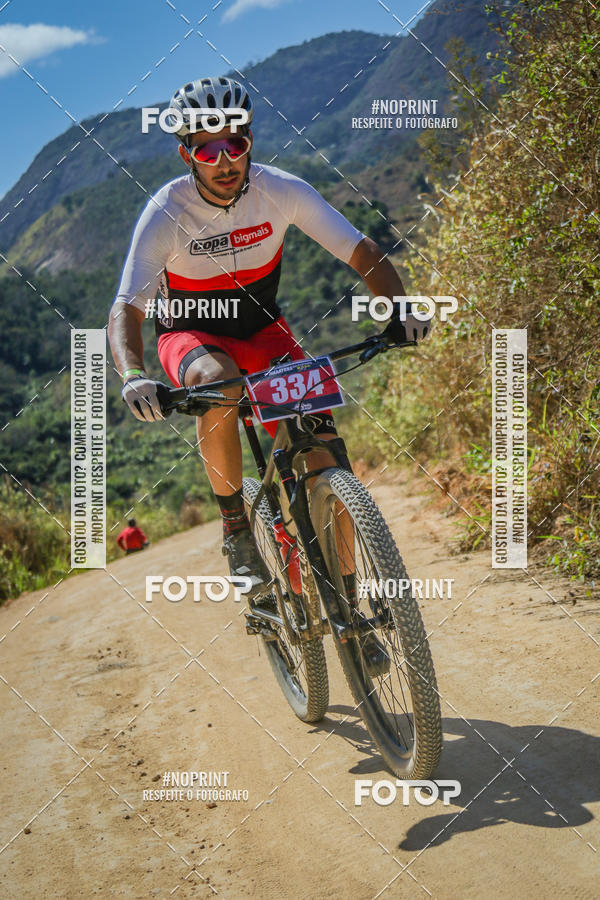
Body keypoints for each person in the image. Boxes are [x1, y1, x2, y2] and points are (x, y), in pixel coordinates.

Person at [108, 76, 429, 596]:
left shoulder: (282, 190)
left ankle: (347, 600)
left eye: (235, 143)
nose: (224, 160)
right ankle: (237, 529)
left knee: (323, 449)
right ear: (185, 151)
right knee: (220, 382)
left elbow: (362, 252)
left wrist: (402, 307)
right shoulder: (166, 211)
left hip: (264, 331)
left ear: (250, 142)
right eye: (208, 148)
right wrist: (132, 375)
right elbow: (126, 308)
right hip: (190, 334)